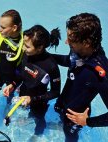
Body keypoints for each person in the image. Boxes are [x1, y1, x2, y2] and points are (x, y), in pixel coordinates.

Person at [53, 13, 108, 142]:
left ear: (87, 42)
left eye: (71, 40)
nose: (67, 42)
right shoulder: (78, 50)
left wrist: (88, 121)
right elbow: (70, 61)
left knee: (70, 136)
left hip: (75, 116)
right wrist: (48, 57)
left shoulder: (100, 73)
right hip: (62, 103)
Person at [3, 25, 61, 135]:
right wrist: (13, 85)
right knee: (26, 113)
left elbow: (56, 92)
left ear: (40, 47)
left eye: (27, 46)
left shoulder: (51, 66)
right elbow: (20, 74)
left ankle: (37, 135)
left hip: (39, 100)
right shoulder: (26, 54)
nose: (23, 48)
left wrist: (33, 99)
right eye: (24, 44)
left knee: (38, 119)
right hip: (24, 93)